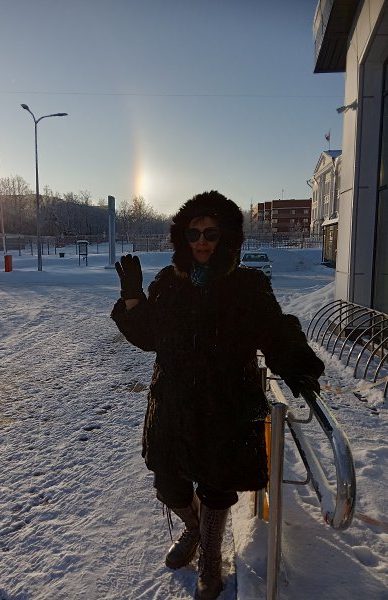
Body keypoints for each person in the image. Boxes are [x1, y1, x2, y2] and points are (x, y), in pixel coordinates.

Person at [111, 190, 324, 599]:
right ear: (183, 238)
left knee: (216, 488)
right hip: (173, 405)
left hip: (225, 406)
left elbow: (275, 331)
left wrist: (297, 364)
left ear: (226, 237)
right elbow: (148, 338)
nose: (202, 241)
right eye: (193, 233)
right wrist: (133, 298)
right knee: (169, 483)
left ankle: (210, 558)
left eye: (211, 233)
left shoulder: (247, 286)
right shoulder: (168, 284)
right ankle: (193, 529)